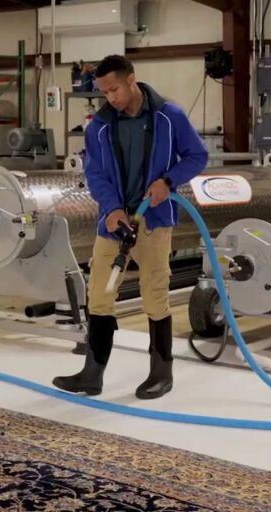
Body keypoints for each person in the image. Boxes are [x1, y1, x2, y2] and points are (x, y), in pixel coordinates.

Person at [53, 55, 209, 400]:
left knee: (155, 294)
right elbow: (95, 174)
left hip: (153, 221)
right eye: (104, 92)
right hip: (114, 224)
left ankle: (160, 372)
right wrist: (110, 210)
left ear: (131, 80)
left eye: (114, 89)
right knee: (99, 294)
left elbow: (197, 157)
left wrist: (168, 181)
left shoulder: (170, 117)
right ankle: (92, 374)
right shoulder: (99, 127)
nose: (111, 97)